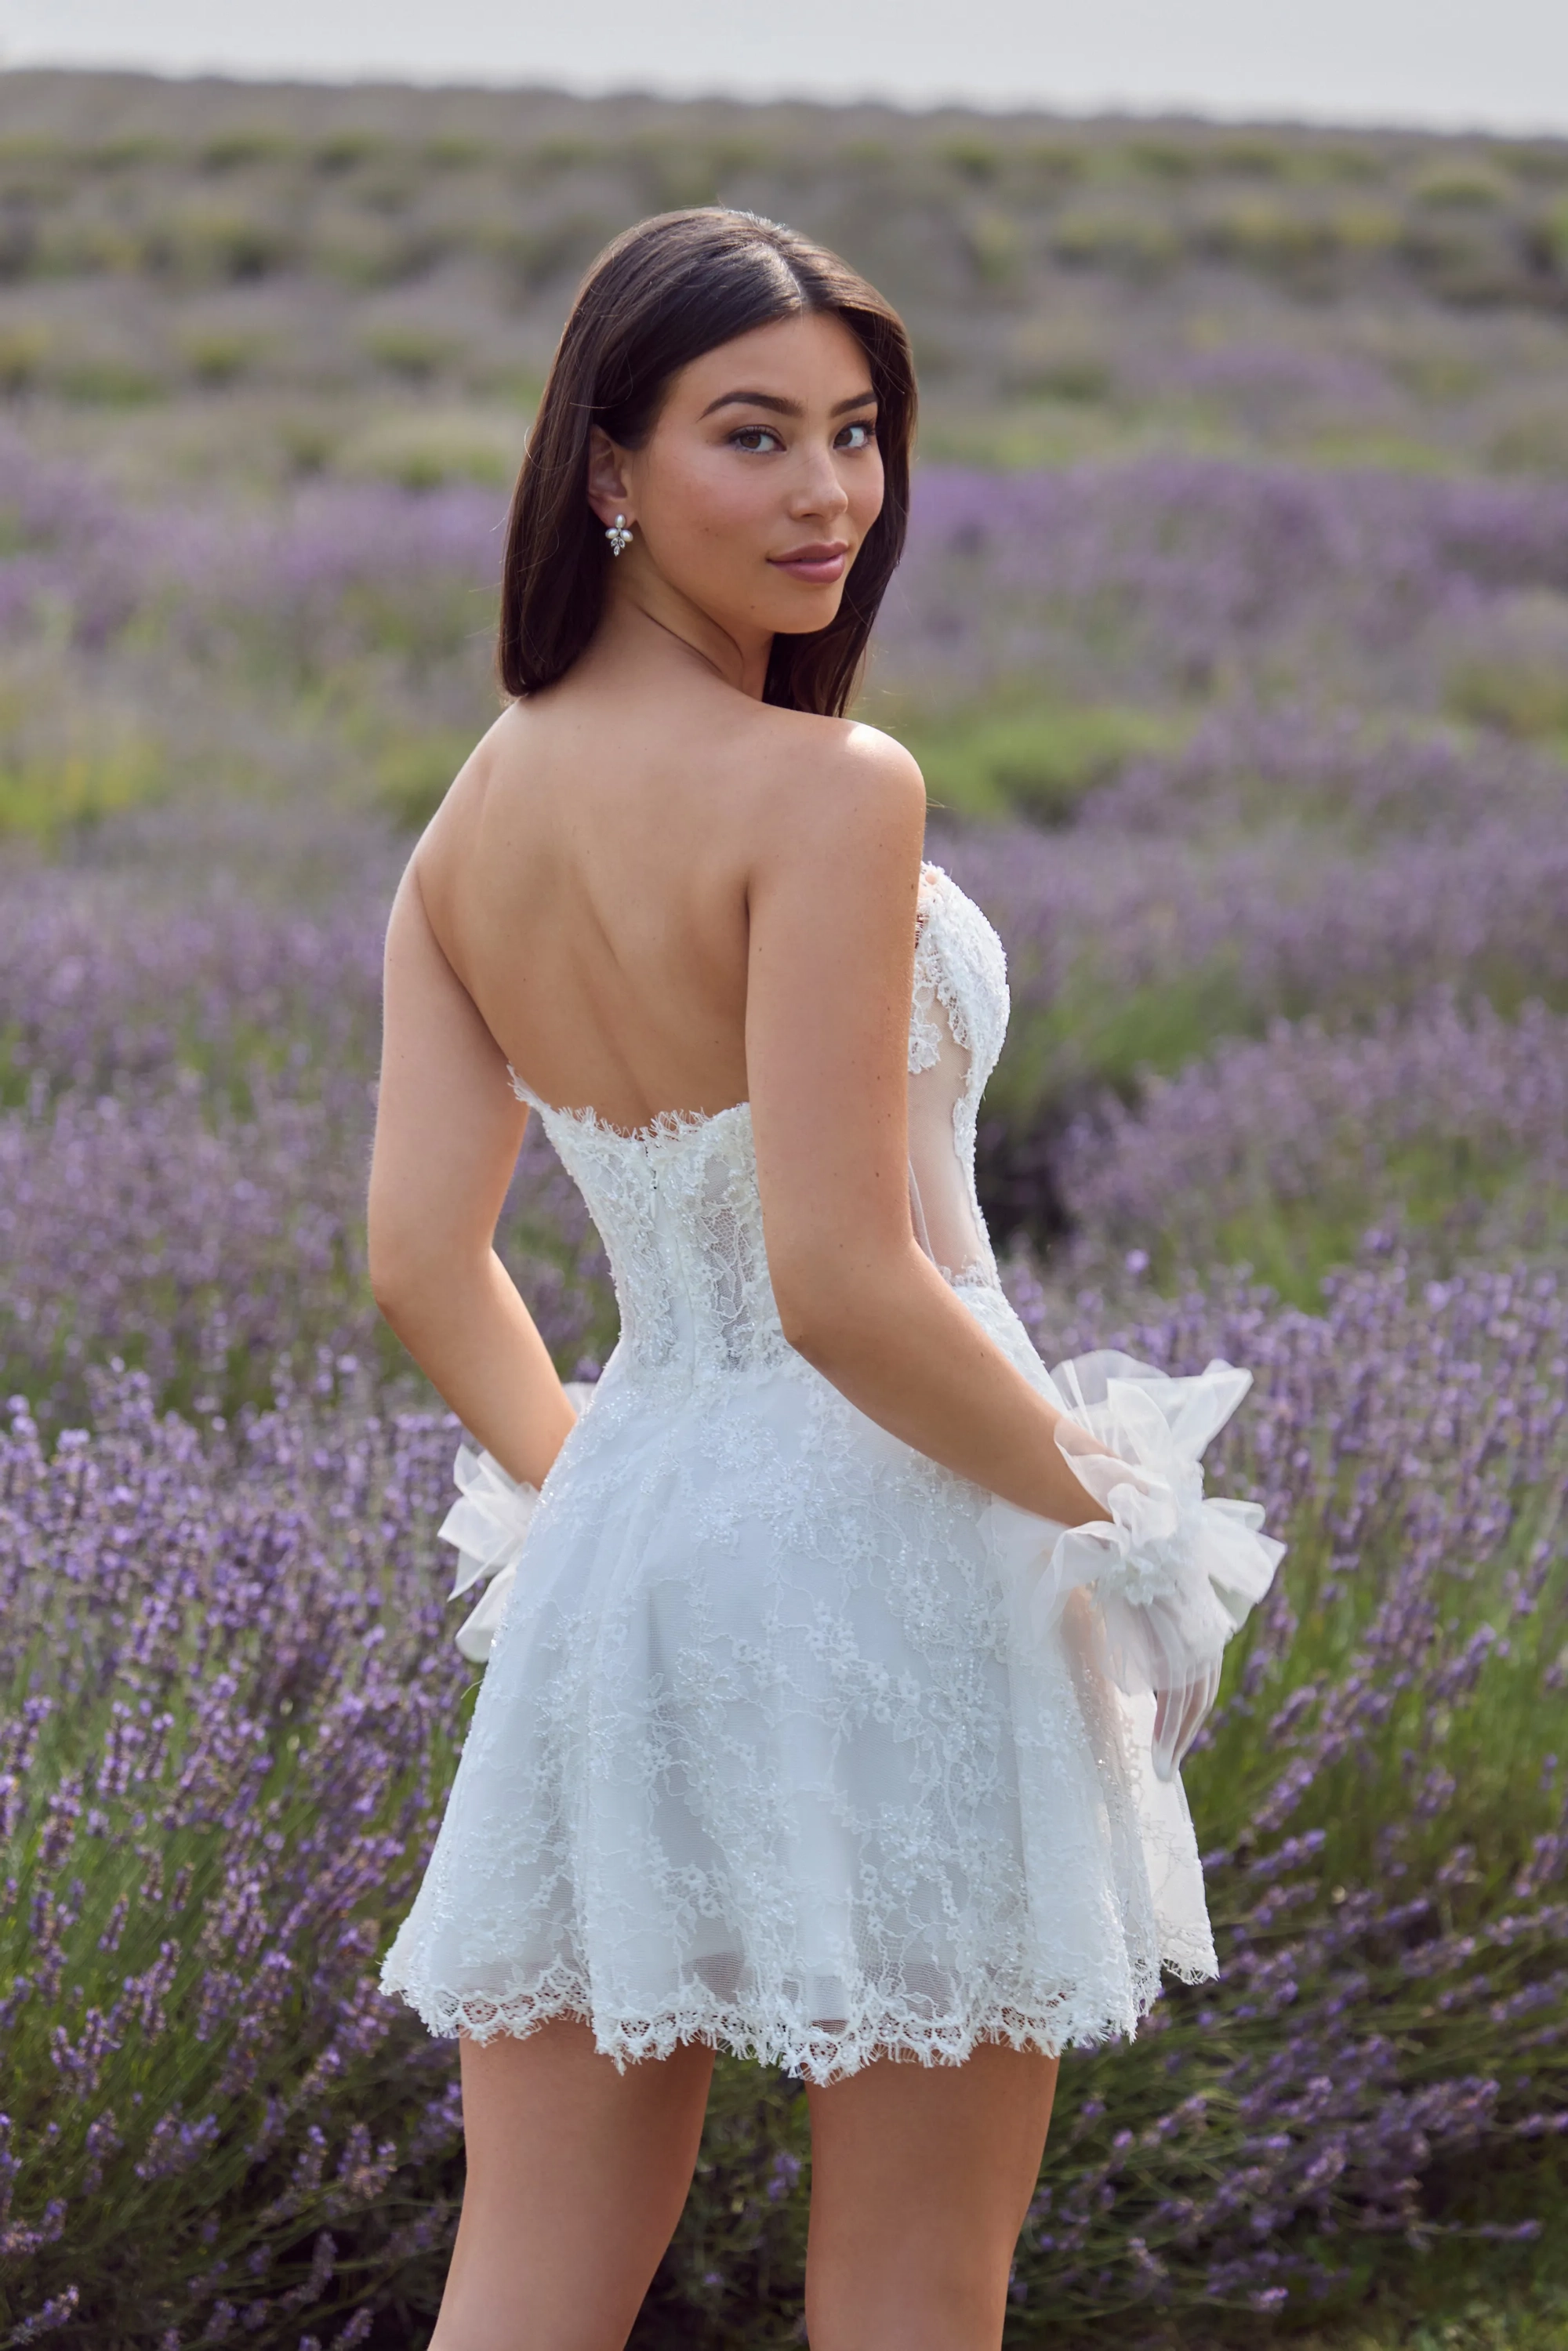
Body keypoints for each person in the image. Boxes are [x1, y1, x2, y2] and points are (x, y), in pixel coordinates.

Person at [371, 209, 1282, 2351]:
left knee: (523, 2292)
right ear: (609, 463)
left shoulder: (466, 824)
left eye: (857, 433)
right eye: (754, 434)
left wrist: (595, 1503)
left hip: (624, 1565)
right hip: (903, 1559)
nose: (830, 494)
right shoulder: (834, 788)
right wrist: (1119, 1515)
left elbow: (418, 1260)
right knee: (909, 2293)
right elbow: (847, 1283)